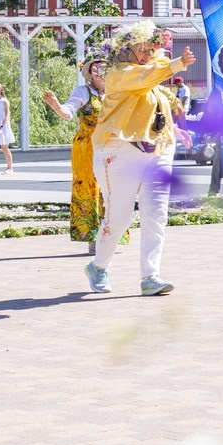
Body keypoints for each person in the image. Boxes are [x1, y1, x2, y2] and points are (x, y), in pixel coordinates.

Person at [86, 27, 191, 297]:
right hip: (119, 150)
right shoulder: (118, 74)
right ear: (127, 49)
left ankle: (150, 276)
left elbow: (158, 96)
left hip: (158, 151)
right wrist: (177, 63)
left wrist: (174, 129)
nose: (147, 54)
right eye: (142, 48)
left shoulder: (154, 83)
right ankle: (98, 266)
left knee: (156, 214)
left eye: (150, 48)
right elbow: (144, 76)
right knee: (119, 219)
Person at [41, 60, 109, 246]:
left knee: (112, 189)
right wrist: (56, 105)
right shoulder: (83, 92)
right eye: (95, 69)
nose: (100, 72)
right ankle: (92, 238)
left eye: (104, 68)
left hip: (111, 146)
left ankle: (111, 235)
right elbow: (68, 112)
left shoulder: (115, 93)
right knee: (89, 188)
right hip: (87, 147)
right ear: (90, 73)